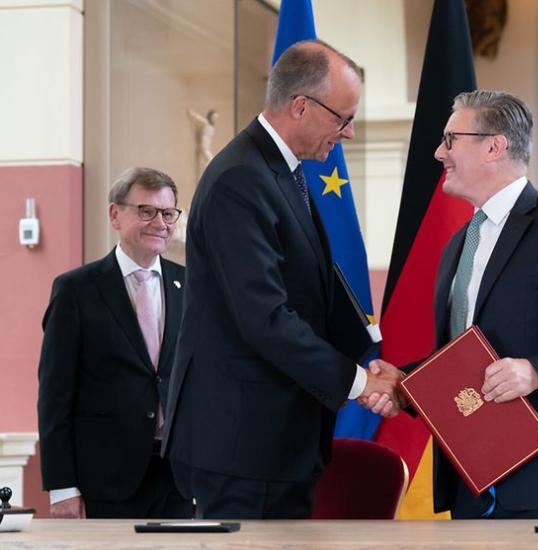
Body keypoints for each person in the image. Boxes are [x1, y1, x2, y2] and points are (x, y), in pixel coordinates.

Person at [369, 90, 538, 519]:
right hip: (472, 477)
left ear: (494, 146)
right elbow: (466, 353)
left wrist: (537, 372)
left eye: (450, 139)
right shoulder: (459, 244)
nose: (439, 151)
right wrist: (405, 385)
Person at [162, 39, 401, 520]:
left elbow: (311, 294)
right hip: (242, 446)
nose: (348, 134)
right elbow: (265, 319)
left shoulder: (278, 172)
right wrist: (360, 382)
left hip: (273, 443)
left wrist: (376, 368)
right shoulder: (240, 180)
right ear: (300, 106)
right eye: (343, 118)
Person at [37, 167, 190, 519]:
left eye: (168, 213)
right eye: (146, 211)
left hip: (178, 478)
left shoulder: (190, 285)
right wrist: (62, 487)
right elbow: (54, 395)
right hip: (106, 482)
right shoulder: (76, 290)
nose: (160, 223)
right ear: (115, 215)